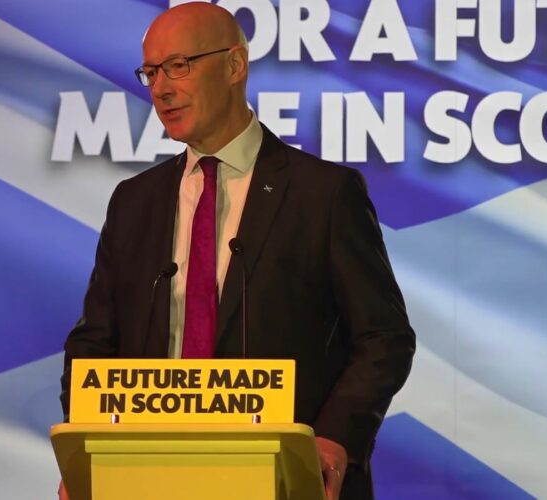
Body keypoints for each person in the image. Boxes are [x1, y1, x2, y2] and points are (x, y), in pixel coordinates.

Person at [60, 3, 415, 499]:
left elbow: (384, 338)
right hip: (151, 478)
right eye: (151, 72)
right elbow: (93, 343)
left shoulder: (324, 193)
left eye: (179, 66)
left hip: (285, 480)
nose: (161, 88)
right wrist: (83, 451)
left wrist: (335, 437)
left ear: (234, 66)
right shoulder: (135, 202)